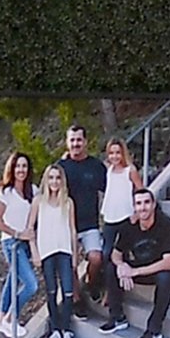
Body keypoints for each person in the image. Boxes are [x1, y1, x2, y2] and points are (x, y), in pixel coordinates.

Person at [105, 189, 170, 338]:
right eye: (138, 203)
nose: (143, 207)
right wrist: (121, 266)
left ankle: (154, 330)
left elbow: (168, 262)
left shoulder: (165, 224)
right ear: (134, 207)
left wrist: (134, 272)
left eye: (146, 202)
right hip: (142, 268)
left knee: (165, 278)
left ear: (153, 204)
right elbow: (115, 254)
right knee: (111, 268)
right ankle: (117, 317)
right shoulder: (129, 226)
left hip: (167, 271)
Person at [93, 137, 144, 328]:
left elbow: (141, 191)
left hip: (125, 219)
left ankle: (117, 313)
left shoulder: (130, 171)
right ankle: (109, 292)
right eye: (111, 153)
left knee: (116, 258)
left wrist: (136, 214)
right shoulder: (109, 170)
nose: (115, 156)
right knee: (106, 256)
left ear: (123, 153)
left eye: (118, 152)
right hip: (110, 219)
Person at [57, 124, 106, 319]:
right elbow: (48, 192)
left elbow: (110, 190)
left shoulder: (96, 166)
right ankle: (77, 300)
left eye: (79, 140)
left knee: (96, 258)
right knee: (70, 264)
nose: (76, 144)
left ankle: (92, 282)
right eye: (72, 140)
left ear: (85, 142)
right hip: (66, 226)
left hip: (91, 224)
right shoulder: (60, 167)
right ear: (67, 143)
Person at [0, 151, 39, 338]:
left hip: (26, 243)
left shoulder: (33, 191)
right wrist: (17, 233)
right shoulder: (6, 192)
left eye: (24, 166)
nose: (21, 170)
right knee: (31, 284)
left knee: (13, 279)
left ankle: (1, 319)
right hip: (12, 243)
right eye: (18, 166)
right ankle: (11, 318)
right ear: (12, 168)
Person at [31, 163, 79, 338]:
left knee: (67, 291)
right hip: (46, 252)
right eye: (51, 177)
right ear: (46, 180)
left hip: (65, 251)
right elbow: (30, 228)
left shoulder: (68, 202)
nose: (54, 181)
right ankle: (55, 330)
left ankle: (66, 329)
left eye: (57, 178)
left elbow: (73, 230)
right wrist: (34, 251)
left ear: (62, 180)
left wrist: (75, 254)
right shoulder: (38, 201)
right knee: (51, 291)